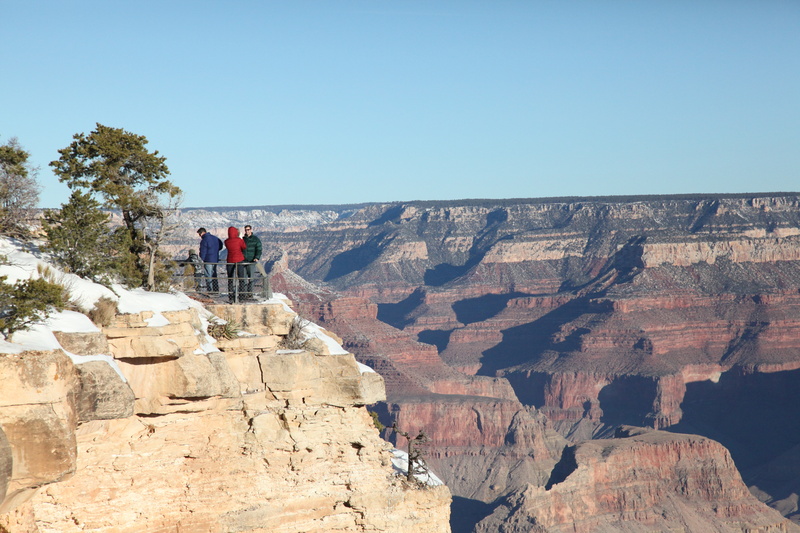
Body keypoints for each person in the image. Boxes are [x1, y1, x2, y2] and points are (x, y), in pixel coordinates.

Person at [224, 226, 247, 303]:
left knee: (230, 279)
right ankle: (242, 296)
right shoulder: (239, 240)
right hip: (239, 260)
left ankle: (231, 297)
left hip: (230, 260)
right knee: (241, 279)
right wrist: (240, 238)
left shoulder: (226, 241)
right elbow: (244, 247)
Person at [197, 227, 223, 293]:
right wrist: (215, 251)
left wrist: (201, 259)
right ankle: (216, 289)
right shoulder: (215, 238)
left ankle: (210, 290)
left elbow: (203, 251)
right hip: (215, 259)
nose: (200, 236)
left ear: (202, 233)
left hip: (208, 260)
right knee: (214, 275)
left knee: (208, 275)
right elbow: (221, 246)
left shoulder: (204, 240)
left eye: (199, 234)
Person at [241, 225, 262, 300]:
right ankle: (244, 293)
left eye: (248, 229)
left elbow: (259, 249)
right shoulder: (243, 239)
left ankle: (250, 293)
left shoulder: (256, 239)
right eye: (246, 230)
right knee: (243, 278)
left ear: (251, 230)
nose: (247, 231)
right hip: (243, 261)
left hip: (251, 261)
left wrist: (257, 257)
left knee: (251, 277)